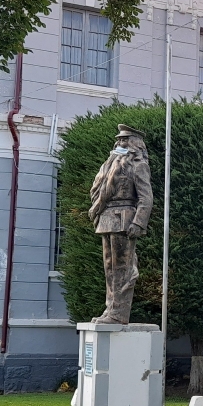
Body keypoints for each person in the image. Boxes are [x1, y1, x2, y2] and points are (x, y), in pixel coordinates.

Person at [88, 124, 153, 325]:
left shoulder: (138, 165)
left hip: (125, 219)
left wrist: (138, 223)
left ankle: (119, 314)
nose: (120, 143)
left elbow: (146, 198)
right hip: (107, 218)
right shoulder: (109, 166)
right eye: (119, 140)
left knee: (123, 269)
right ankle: (111, 310)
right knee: (109, 268)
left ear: (134, 144)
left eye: (125, 140)